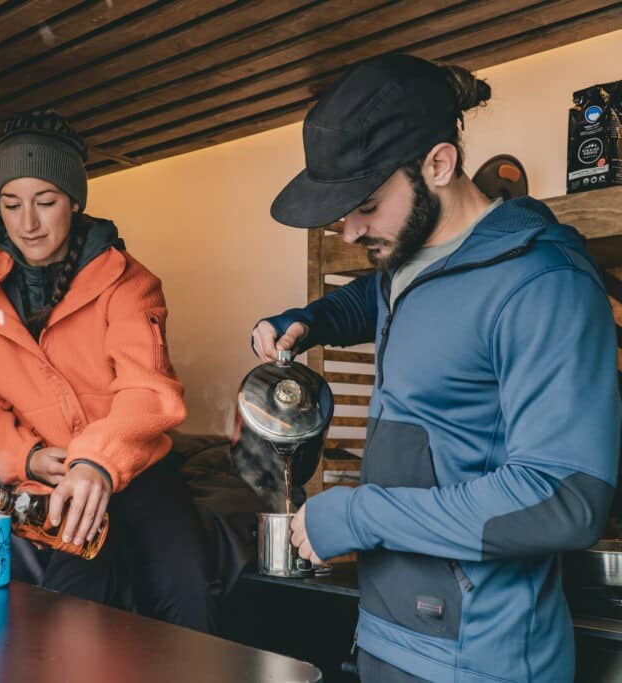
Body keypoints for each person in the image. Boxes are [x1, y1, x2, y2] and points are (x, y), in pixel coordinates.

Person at [253, 54, 620, 681]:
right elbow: (380, 297)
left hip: (481, 660)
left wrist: (358, 514)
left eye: (366, 204)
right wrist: (311, 319)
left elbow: (564, 498)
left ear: (440, 163)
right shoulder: (410, 259)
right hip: (386, 631)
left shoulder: (543, 285)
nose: (349, 232)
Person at [0, 110, 216, 632]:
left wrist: (96, 462)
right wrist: (28, 455)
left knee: (188, 596)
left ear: (73, 201)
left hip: (136, 469)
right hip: (42, 476)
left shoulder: (130, 283)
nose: (28, 223)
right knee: (69, 607)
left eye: (45, 202)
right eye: (10, 204)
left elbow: (147, 391)